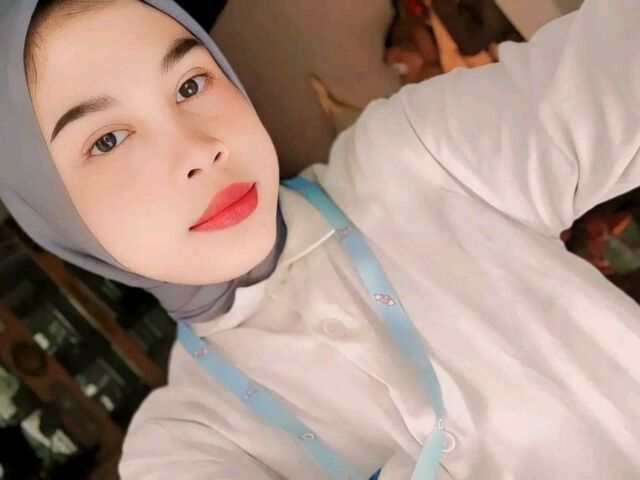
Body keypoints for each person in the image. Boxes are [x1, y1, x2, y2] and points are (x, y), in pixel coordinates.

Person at [1, 0, 639, 478]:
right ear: (54, 214)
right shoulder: (186, 445)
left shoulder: (415, 158)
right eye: (108, 140)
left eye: (191, 85)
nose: (200, 150)